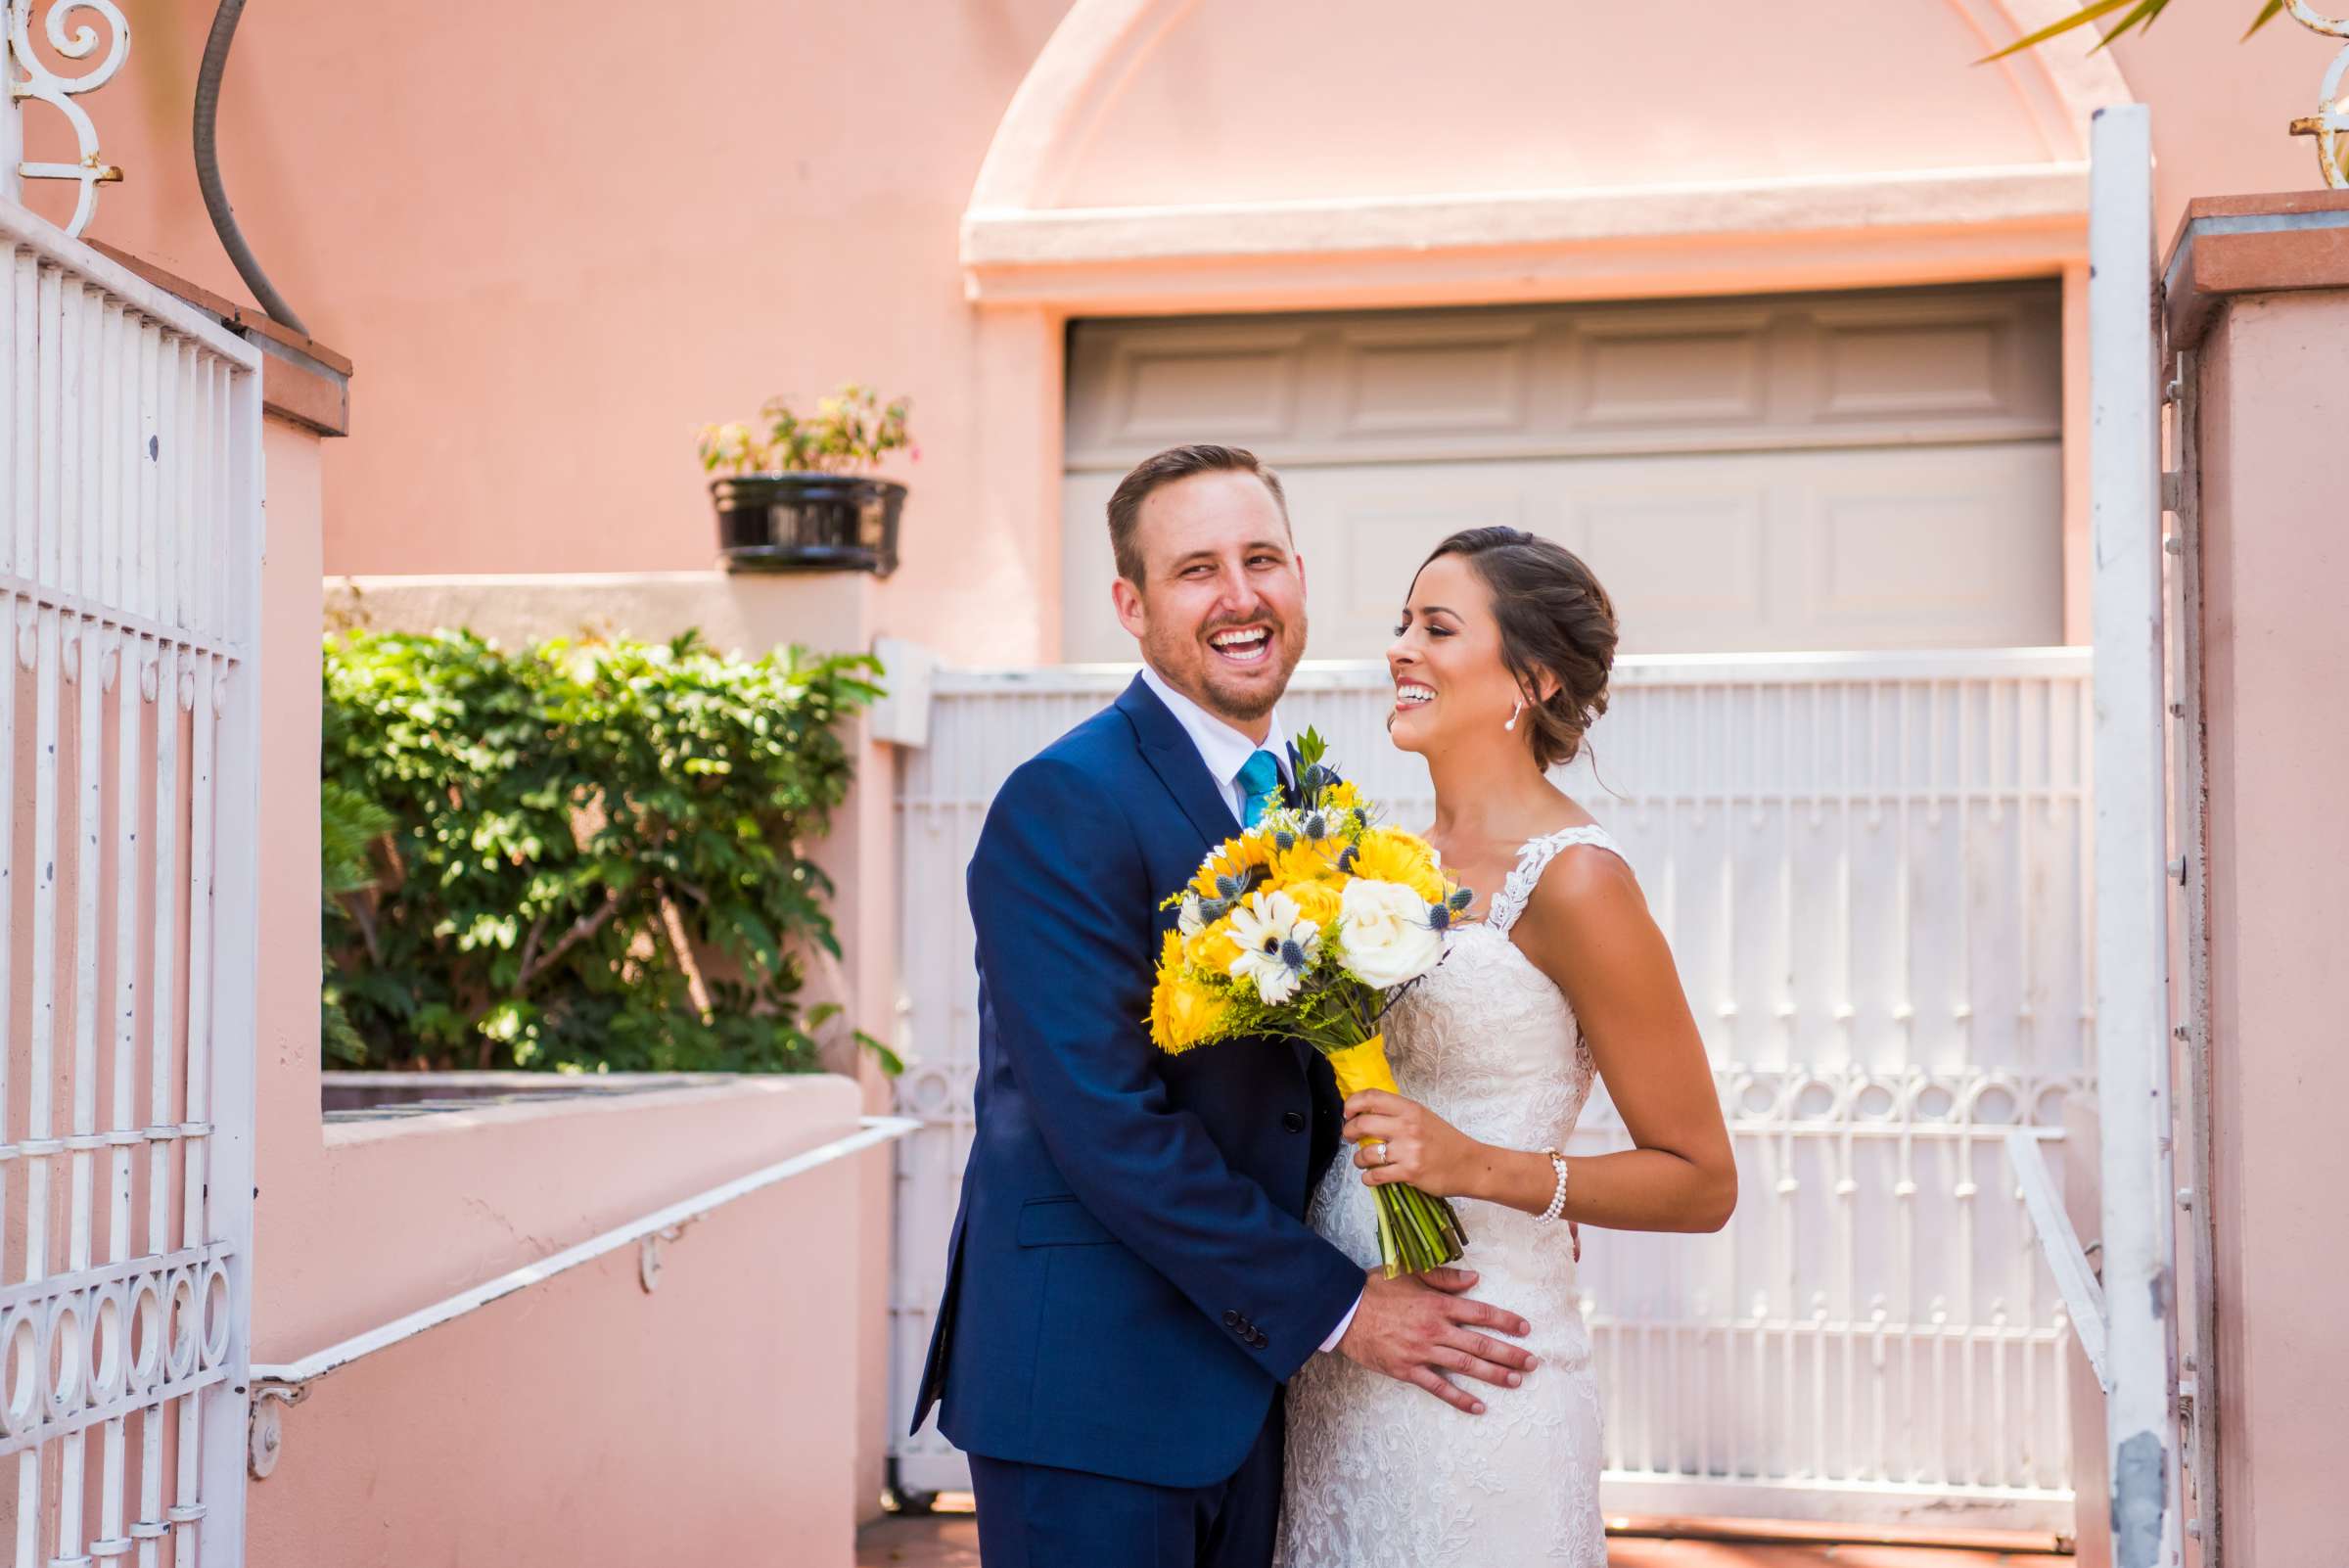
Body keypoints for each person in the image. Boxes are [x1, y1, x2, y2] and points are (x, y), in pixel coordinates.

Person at [909, 447, 1538, 1568]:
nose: (1240, 598)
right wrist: (1347, 1309)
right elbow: (1108, 1125)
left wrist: (1505, 1168)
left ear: (1299, 577)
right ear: (1131, 604)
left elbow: (1309, 1084)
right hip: (1096, 1395)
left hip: (1250, 1389)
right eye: (1197, 570)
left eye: (1261, 561)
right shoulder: (1065, 800)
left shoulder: (1296, 804)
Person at [1275, 526, 1737, 1568]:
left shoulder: (1576, 882)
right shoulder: (1377, 868)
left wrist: (1482, 1167)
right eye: (1402, 623)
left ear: (1527, 677)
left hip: (1483, 1370)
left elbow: (1701, 1180)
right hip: (1347, 1367)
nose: (1401, 647)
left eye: (1437, 627)